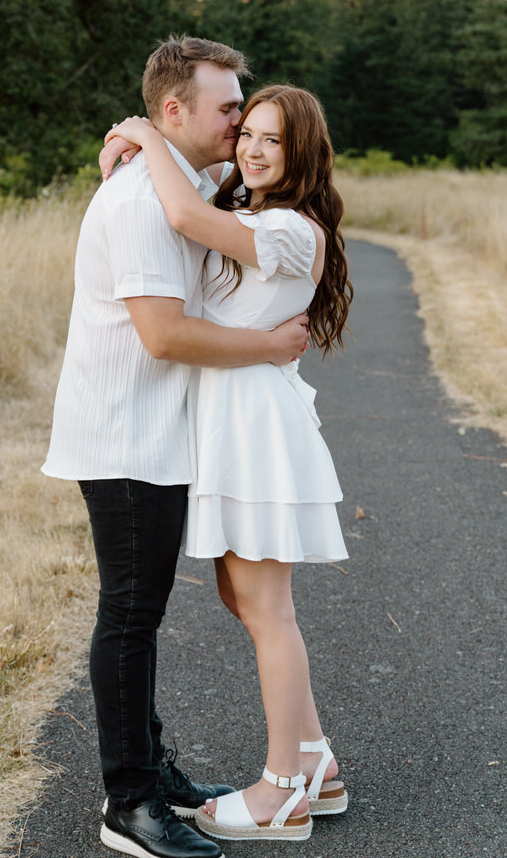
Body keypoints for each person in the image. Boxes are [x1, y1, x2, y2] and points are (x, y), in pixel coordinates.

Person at [41, 37, 311, 858]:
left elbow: (215, 217)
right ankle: (129, 805)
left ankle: (151, 774)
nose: (240, 121)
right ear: (175, 111)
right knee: (128, 615)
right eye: (229, 107)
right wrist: (271, 347)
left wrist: (137, 140)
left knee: (141, 613)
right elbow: (161, 335)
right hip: (125, 437)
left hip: (158, 437)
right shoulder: (139, 203)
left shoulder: (185, 186)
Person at [106, 84, 352, 845]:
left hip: (256, 430)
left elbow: (183, 212)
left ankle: (284, 788)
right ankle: (318, 765)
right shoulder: (253, 213)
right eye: (247, 133)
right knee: (244, 600)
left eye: (273, 141)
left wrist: (146, 134)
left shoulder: (290, 230)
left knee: (266, 607)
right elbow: (185, 201)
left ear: (303, 152)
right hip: (232, 425)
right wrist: (125, 153)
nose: (251, 149)